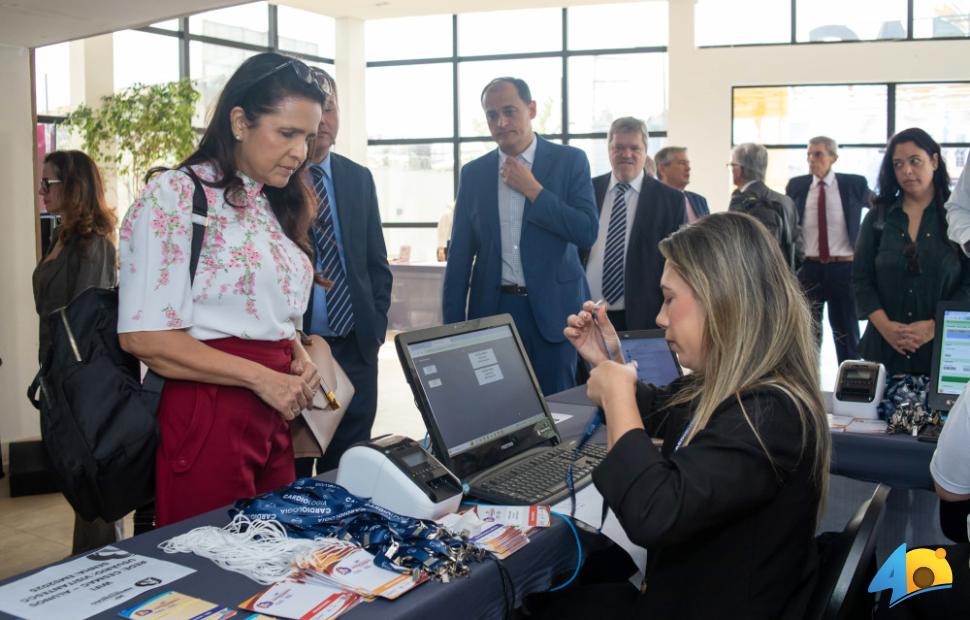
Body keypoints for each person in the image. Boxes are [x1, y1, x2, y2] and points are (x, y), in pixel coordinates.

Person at [553, 212, 829, 618]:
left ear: (722, 301)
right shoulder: (740, 387)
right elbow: (666, 411)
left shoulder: (771, 414)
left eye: (669, 299)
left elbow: (653, 512)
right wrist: (608, 362)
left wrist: (616, 397)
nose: (660, 318)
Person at [118, 52, 326, 526]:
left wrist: (298, 352)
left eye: (308, 138)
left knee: (275, 560)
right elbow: (144, 338)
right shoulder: (175, 196)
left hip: (275, 409)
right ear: (239, 121)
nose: (299, 152)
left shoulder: (272, 201)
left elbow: (260, 311)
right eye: (287, 133)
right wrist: (260, 377)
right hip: (209, 410)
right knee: (214, 567)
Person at [442, 77, 597, 395]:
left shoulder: (570, 161)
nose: (501, 122)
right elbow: (459, 260)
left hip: (555, 314)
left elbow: (586, 231)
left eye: (510, 111)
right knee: (496, 408)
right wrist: (452, 332)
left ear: (532, 109)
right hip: (493, 311)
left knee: (559, 410)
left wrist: (534, 191)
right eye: (492, 114)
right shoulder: (474, 174)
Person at [294, 68, 392, 477]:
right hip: (296, 353)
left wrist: (374, 330)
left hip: (355, 347)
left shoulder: (358, 178)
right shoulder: (274, 183)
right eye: (316, 109)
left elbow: (376, 264)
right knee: (295, 468)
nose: (324, 120)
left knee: (350, 466)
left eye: (330, 107)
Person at [33, 150, 119, 553]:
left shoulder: (94, 242)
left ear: (73, 185)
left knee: (94, 482)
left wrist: (74, 386)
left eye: (48, 183)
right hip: (58, 374)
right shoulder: (62, 235)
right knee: (79, 481)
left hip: (83, 381)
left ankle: (104, 567)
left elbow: (87, 321)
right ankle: (88, 561)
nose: (41, 191)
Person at [853, 127, 970, 377]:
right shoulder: (877, 218)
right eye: (898, 164)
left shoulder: (958, 219)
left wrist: (933, 327)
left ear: (935, 161)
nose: (906, 171)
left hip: (945, 353)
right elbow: (861, 280)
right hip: (882, 352)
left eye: (915, 161)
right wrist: (887, 328)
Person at [581, 117, 686, 332]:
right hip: (587, 316)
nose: (626, 154)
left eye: (634, 148)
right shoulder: (586, 191)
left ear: (645, 150)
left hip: (643, 318)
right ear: (609, 149)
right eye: (618, 147)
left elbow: (677, 262)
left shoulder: (671, 200)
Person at [786, 136, 873, 363]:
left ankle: (852, 384)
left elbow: (879, 208)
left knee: (846, 332)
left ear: (833, 158)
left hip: (843, 267)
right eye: (809, 155)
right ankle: (808, 386)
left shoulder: (853, 184)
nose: (811, 160)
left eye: (818, 154)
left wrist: (868, 246)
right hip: (809, 268)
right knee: (808, 332)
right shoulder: (797, 186)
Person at [729, 142, 803, 269]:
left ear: (739, 170)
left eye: (732, 165)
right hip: (784, 279)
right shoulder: (786, 201)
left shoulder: (741, 202)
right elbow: (799, 250)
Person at [655, 146, 709, 222]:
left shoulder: (700, 201)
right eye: (682, 163)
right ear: (662, 169)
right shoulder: (653, 200)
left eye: (688, 164)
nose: (688, 168)